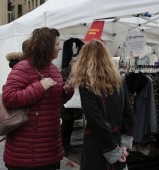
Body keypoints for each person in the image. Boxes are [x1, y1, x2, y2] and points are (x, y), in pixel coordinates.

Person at [2, 27, 74, 170]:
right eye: (57, 44)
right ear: (46, 46)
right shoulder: (23, 67)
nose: (60, 48)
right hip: (25, 151)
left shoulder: (53, 69)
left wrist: (66, 89)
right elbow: (9, 97)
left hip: (50, 148)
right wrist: (39, 87)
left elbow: (56, 101)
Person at [71, 39, 135, 170]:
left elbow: (96, 121)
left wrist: (115, 150)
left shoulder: (87, 85)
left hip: (98, 142)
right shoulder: (119, 81)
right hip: (115, 140)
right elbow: (128, 115)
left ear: (84, 59)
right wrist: (122, 146)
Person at [60, 57, 83, 156]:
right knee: (64, 126)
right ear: (71, 63)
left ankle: (68, 145)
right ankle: (61, 146)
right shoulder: (64, 72)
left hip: (74, 103)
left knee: (70, 126)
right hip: (66, 103)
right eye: (75, 62)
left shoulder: (80, 73)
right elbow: (61, 85)